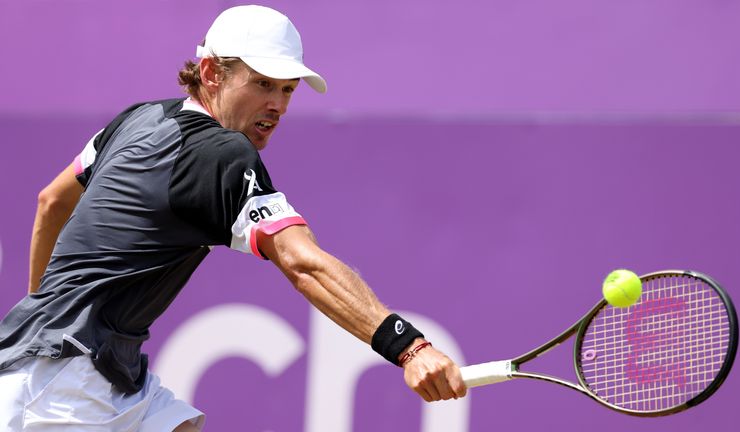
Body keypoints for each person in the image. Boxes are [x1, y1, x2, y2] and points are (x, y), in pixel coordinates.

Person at [0, 5, 466, 431]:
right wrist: (409, 348)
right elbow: (302, 263)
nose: (278, 106)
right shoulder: (221, 153)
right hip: (61, 391)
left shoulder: (138, 119)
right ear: (211, 72)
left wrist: (44, 315)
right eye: (263, 83)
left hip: (92, 369)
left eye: (287, 89)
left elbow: (52, 203)